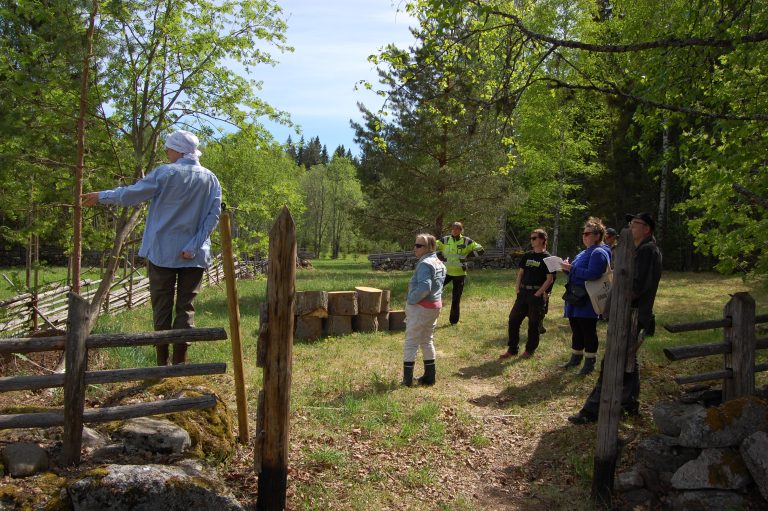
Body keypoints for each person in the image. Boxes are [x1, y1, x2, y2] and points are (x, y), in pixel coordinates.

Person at [82, 130, 222, 366]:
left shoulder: (165, 173)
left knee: (162, 308)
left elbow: (131, 194)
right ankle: (180, 364)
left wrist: (102, 196)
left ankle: (162, 364)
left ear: (178, 150)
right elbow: (213, 216)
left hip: (162, 251)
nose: (166, 152)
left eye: (168, 148)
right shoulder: (211, 179)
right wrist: (194, 245)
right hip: (194, 254)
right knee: (186, 309)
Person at [567, 212, 662, 424]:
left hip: (629, 313)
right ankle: (629, 404)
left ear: (647, 229)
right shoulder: (635, 249)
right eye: (630, 222)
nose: (630, 226)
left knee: (613, 360)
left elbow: (634, 286)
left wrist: (615, 301)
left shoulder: (647, 251)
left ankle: (592, 410)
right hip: (626, 311)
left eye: (635, 223)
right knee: (628, 360)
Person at [559, 217, 612, 375]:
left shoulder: (599, 252)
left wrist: (571, 268)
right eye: (583, 233)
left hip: (588, 298)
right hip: (576, 296)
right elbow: (574, 270)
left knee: (588, 330)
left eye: (587, 233)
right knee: (576, 329)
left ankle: (589, 362)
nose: (584, 236)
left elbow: (594, 274)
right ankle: (575, 358)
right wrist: (566, 267)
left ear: (597, 235)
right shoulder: (583, 252)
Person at [499, 229, 555, 359]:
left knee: (533, 324)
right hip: (523, 293)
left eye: (534, 238)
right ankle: (512, 349)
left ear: (542, 240)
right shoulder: (527, 255)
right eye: (531, 238)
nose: (532, 240)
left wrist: (538, 293)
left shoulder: (548, 258)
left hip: (536, 295)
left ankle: (529, 350)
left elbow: (550, 279)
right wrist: (517, 288)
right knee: (513, 320)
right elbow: (520, 273)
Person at [402, 234, 446, 386]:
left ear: (429, 247)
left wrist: (411, 300)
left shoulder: (425, 264)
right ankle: (430, 377)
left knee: (411, 342)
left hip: (421, 307)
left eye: (419, 245)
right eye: (415, 244)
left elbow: (424, 288)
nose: (415, 248)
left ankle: (407, 380)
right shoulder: (439, 262)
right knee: (427, 340)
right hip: (435, 306)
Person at [436, 222, 484, 325]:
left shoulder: (466, 241)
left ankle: (453, 321)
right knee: (434, 292)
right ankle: (431, 315)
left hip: (460, 274)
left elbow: (480, 250)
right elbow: (431, 246)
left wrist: (467, 257)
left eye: (457, 229)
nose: (454, 230)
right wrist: (438, 255)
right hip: (445, 272)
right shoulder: (445, 240)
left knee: (456, 298)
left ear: (461, 230)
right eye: (453, 228)